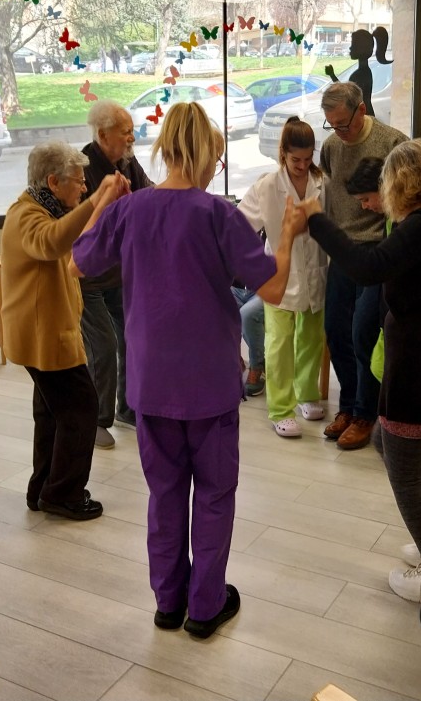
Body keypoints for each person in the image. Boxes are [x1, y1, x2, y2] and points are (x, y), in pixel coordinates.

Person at [72, 102, 302, 639]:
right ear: (202, 154)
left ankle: (168, 602)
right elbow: (272, 288)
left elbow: (78, 261)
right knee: (215, 495)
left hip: (151, 382)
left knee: (166, 495)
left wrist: (103, 201)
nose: (215, 171)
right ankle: (205, 606)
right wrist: (289, 233)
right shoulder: (217, 214)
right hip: (209, 383)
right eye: (215, 160)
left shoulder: (131, 210)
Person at [299, 138, 421, 603]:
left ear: (402, 182)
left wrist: (316, 220)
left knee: (402, 470)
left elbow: (366, 267)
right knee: (387, 441)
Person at [1, 141, 127, 520]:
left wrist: (103, 206)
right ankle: (63, 494)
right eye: (78, 181)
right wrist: (97, 200)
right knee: (82, 407)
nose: (84, 188)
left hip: (49, 333)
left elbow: (71, 243)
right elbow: (51, 242)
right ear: (53, 182)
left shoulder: (48, 210)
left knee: (53, 413)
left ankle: (43, 488)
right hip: (44, 337)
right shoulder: (26, 214)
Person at [317, 81, 408, 450]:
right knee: (336, 331)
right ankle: (348, 405)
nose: (339, 131)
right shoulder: (330, 147)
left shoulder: (393, 143)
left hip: (379, 252)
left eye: (344, 123)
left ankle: (366, 413)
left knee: (364, 333)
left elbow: (407, 200)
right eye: (332, 124)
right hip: (343, 252)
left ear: (362, 109)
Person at [237, 116, 327, 438]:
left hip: (316, 272)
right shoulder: (266, 186)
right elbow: (239, 226)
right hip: (279, 275)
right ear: (283, 153)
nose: (302, 166)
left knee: (311, 339)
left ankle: (307, 394)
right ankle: (280, 409)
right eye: (295, 160)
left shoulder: (322, 183)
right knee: (279, 344)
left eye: (307, 158)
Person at [346, 157, 421, 462]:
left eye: (366, 199)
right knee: (376, 359)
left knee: (402, 374)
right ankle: (387, 427)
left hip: (408, 315)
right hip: (392, 310)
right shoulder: (394, 218)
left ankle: (417, 439)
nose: (365, 207)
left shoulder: (412, 221)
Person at [79, 99, 154, 449]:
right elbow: (85, 220)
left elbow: (148, 193)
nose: (131, 138)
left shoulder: (127, 161)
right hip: (87, 276)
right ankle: (96, 419)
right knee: (104, 347)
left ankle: (127, 408)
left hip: (118, 273)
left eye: (132, 131)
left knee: (132, 338)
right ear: (103, 134)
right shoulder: (82, 167)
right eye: (125, 132)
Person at [324, 26, 391, 117]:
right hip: (365, 114)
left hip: (363, 116)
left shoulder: (360, 74)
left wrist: (332, 75)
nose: (350, 48)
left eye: (353, 45)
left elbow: (346, 94)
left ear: (361, 48)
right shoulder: (365, 72)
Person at [230, 283, 266, 397]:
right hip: (234, 287)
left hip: (263, 289)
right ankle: (234, 362)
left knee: (247, 314)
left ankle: (257, 366)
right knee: (217, 307)